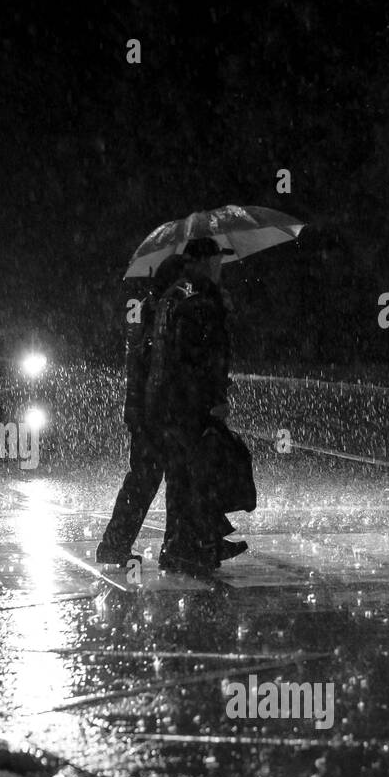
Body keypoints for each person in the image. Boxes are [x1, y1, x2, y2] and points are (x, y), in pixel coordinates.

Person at [142, 237, 248, 576]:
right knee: (200, 475)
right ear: (203, 262)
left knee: (182, 477)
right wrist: (214, 399)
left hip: (167, 403)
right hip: (190, 405)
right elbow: (200, 357)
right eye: (217, 260)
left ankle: (187, 544)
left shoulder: (174, 294)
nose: (220, 266)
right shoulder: (200, 299)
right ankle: (191, 545)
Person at [94, 253, 187, 567]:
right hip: (152, 411)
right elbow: (154, 364)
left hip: (144, 409)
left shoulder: (149, 308)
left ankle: (116, 543)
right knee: (148, 479)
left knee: (143, 479)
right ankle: (120, 544)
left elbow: (138, 363)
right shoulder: (163, 311)